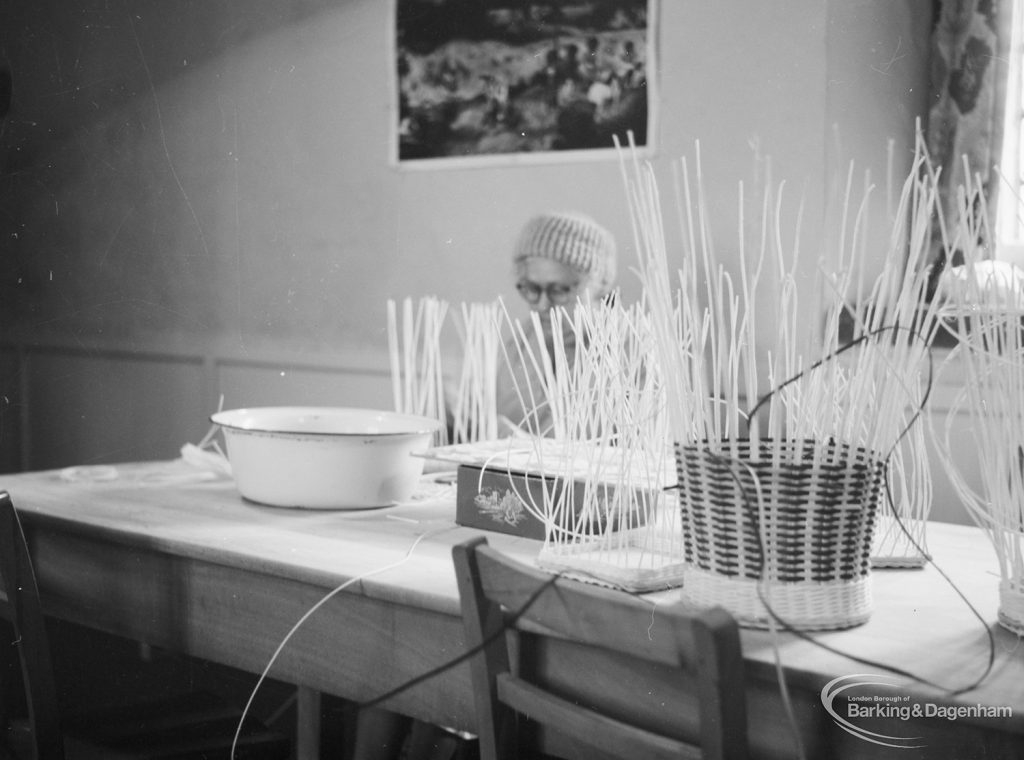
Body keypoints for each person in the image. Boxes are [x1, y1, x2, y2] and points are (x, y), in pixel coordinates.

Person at [497, 210, 618, 436]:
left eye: (559, 290)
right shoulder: (519, 346)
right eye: (532, 288)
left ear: (599, 288)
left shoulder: (630, 354)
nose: (542, 305)